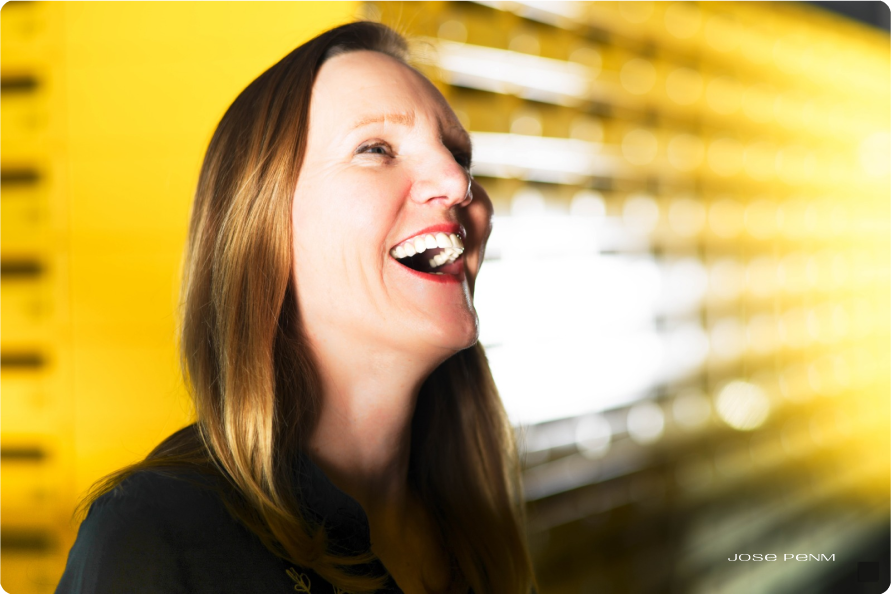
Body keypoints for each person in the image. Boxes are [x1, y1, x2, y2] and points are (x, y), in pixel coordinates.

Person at [55, 21, 535, 594]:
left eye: (458, 153)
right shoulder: (158, 537)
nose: (458, 183)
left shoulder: (476, 533)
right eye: (376, 149)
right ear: (263, 228)